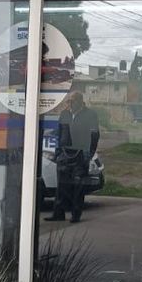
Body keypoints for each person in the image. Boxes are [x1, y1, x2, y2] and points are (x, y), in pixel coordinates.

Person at [45, 91, 100, 223]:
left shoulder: (90, 115)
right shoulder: (64, 114)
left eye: (72, 101)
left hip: (80, 154)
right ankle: (58, 213)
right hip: (64, 153)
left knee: (78, 186)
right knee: (61, 185)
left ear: (80, 101)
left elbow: (95, 135)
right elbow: (60, 133)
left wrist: (90, 153)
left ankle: (76, 214)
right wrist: (58, 152)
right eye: (68, 101)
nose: (69, 103)